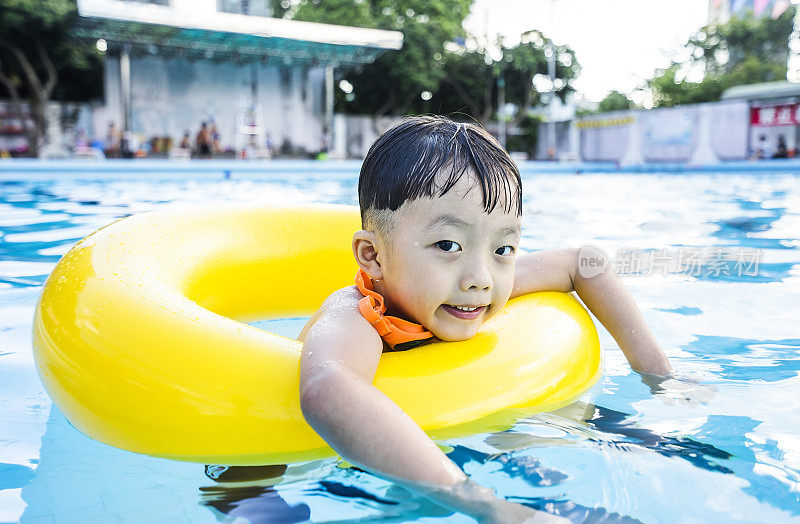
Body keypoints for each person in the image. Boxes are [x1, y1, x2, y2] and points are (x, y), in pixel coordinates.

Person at [295, 116, 696, 522]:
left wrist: (661, 380)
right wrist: (491, 508)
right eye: (447, 244)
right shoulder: (356, 315)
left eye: (504, 247)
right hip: (327, 472)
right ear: (373, 256)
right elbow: (327, 389)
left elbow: (585, 264)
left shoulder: (471, 284)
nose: (481, 279)